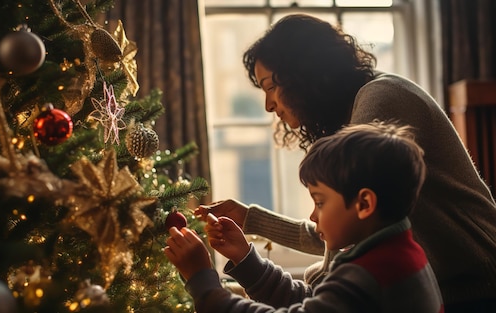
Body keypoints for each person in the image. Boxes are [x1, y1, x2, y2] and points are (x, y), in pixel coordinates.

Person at [194, 13, 496, 312]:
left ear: (304, 74)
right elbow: (343, 227)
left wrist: (205, 280)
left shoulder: (380, 100)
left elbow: (345, 241)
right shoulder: (357, 110)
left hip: (483, 286)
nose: (268, 105)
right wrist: (250, 220)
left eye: (271, 87)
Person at [165, 121, 443, 312]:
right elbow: (313, 303)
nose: (313, 215)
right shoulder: (399, 254)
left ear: (365, 203)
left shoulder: (372, 274)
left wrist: (202, 280)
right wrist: (246, 259)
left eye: (320, 202)